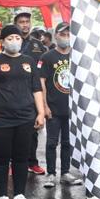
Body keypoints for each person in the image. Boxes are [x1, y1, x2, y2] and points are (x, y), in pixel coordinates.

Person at [0, 24, 45, 199]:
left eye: (17, 38)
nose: (14, 42)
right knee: (1, 159)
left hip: (25, 118)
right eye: (10, 38)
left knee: (21, 159)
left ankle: (19, 195)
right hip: (1, 119)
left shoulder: (28, 62)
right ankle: (2, 197)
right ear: (2, 41)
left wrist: (40, 113)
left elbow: (37, 89)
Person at [39, 22, 82, 187]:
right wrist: (44, 106)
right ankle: (50, 173)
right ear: (55, 35)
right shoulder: (47, 57)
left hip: (72, 109)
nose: (65, 38)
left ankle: (65, 172)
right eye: (62, 35)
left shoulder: (77, 56)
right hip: (54, 109)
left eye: (68, 35)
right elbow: (41, 82)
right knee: (51, 142)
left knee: (67, 142)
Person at [14, 9, 47, 175]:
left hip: (34, 91)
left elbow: (46, 65)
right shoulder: (10, 42)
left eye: (27, 21)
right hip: (12, 92)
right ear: (15, 24)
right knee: (13, 128)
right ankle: (14, 163)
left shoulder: (37, 44)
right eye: (21, 22)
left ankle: (32, 162)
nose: (25, 25)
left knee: (33, 128)